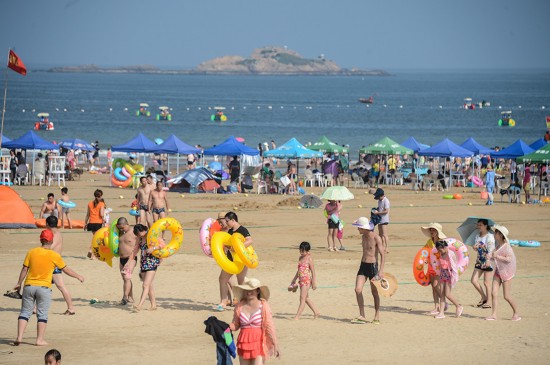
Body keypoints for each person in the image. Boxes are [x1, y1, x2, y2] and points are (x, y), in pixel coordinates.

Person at [13, 230, 84, 346]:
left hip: (29, 286)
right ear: (51, 241)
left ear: (40, 239)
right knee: (42, 314)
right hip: (43, 288)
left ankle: (19, 337)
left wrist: (19, 283)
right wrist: (78, 276)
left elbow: (25, 269)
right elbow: (66, 270)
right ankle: (39, 340)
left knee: (25, 312)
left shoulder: (31, 252)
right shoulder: (54, 255)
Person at [230, 278, 280, 363]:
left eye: (251, 290)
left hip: (259, 342)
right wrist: (227, 327)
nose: (248, 292)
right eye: (246, 290)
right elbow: (236, 324)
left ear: (257, 291)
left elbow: (269, 325)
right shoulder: (239, 306)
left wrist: (275, 344)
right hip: (243, 342)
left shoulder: (263, 306)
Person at [350, 217, 385, 324]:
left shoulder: (376, 238)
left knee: (374, 292)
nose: (357, 230)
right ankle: (362, 315)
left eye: (359, 228)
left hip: (373, 266)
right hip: (363, 266)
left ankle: (377, 316)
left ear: (363, 228)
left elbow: (382, 254)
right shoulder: (363, 237)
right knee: (357, 289)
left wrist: (380, 271)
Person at [217, 212, 253, 311]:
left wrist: (238, 248)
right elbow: (230, 245)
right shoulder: (230, 232)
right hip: (230, 261)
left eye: (227, 221)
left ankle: (244, 303)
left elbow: (249, 240)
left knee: (241, 281)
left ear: (233, 220)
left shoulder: (242, 230)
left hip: (241, 260)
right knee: (222, 279)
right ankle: (223, 302)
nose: (226, 223)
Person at [485, 225, 521, 321]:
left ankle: (516, 313)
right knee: (494, 293)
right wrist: (486, 255)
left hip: (507, 273)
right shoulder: (497, 246)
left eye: (496, 233)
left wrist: (497, 257)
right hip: (498, 272)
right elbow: (492, 256)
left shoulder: (507, 247)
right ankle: (494, 314)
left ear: (500, 235)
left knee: (507, 296)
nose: (494, 234)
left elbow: (509, 259)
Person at [46, 216, 76, 315]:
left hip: (53, 264)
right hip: (54, 263)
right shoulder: (58, 233)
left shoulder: (53, 234)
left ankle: (71, 308)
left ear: (47, 224)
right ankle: (35, 308)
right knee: (42, 286)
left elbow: (51, 247)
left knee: (61, 286)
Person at [132, 224, 161, 311]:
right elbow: (137, 250)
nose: (138, 235)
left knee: (145, 285)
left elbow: (162, 245)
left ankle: (139, 305)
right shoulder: (140, 238)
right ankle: (153, 305)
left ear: (142, 230)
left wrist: (153, 248)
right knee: (149, 285)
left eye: (138, 233)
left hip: (152, 262)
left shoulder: (151, 235)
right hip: (144, 263)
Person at [288, 242, 319, 320]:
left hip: (307, 281)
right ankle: (316, 312)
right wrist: (294, 279)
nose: (301, 252)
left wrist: (314, 282)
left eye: (303, 251)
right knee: (306, 298)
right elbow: (299, 270)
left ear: (307, 251)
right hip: (301, 281)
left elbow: (313, 271)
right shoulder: (300, 258)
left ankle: (297, 316)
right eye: (300, 250)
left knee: (302, 298)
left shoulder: (309, 259)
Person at [421, 222, 447, 314]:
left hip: (439, 267)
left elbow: (445, 253)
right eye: (430, 229)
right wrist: (424, 259)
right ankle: (436, 307)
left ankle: (444, 302)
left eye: (433, 229)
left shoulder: (442, 241)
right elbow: (424, 252)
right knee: (433, 287)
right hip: (430, 266)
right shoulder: (429, 242)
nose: (431, 231)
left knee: (436, 285)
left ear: (438, 231)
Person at [433, 240, 463, 319]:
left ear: (445, 247)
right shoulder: (440, 254)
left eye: (441, 249)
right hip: (443, 274)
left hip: (449, 275)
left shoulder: (451, 254)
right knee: (442, 294)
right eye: (438, 250)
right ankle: (441, 313)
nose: (440, 251)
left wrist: (453, 276)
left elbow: (454, 266)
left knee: (447, 294)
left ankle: (458, 306)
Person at [470, 219, 495, 309]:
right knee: (473, 280)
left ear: (485, 226)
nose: (478, 227)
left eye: (480, 225)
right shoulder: (477, 236)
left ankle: (488, 301)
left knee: (486, 283)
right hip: (479, 261)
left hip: (488, 261)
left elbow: (491, 249)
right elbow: (478, 248)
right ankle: (484, 297)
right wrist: (475, 248)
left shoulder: (490, 236)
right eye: (478, 225)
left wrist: (488, 261)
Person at [214, 212, 236, 310]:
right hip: (223, 257)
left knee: (226, 279)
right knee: (226, 279)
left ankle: (231, 299)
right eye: (218, 220)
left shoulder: (230, 231)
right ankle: (230, 299)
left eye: (221, 220)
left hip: (230, 258)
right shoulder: (220, 230)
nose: (220, 222)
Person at [116, 217, 138, 305]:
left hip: (131, 258)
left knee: (126, 277)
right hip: (121, 259)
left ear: (127, 224)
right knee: (125, 279)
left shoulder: (134, 232)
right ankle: (131, 297)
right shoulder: (118, 232)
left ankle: (124, 297)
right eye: (119, 228)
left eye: (122, 227)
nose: (121, 229)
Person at [84, 189, 106, 258]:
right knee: (96, 239)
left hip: (91, 223)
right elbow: (101, 214)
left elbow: (87, 214)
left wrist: (85, 223)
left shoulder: (90, 203)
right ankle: (91, 252)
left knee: (95, 237)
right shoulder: (101, 204)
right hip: (98, 223)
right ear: (101, 196)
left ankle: (92, 252)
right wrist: (104, 220)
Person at [372, 188, 390, 253]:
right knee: (380, 234)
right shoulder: (379, 201)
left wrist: (378, 213)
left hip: (384, 219)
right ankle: (382, 247)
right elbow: (380, 208)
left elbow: (386, 211)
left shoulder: (386, 201)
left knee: (385, 234)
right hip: (380, 219)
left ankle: (387, 248)